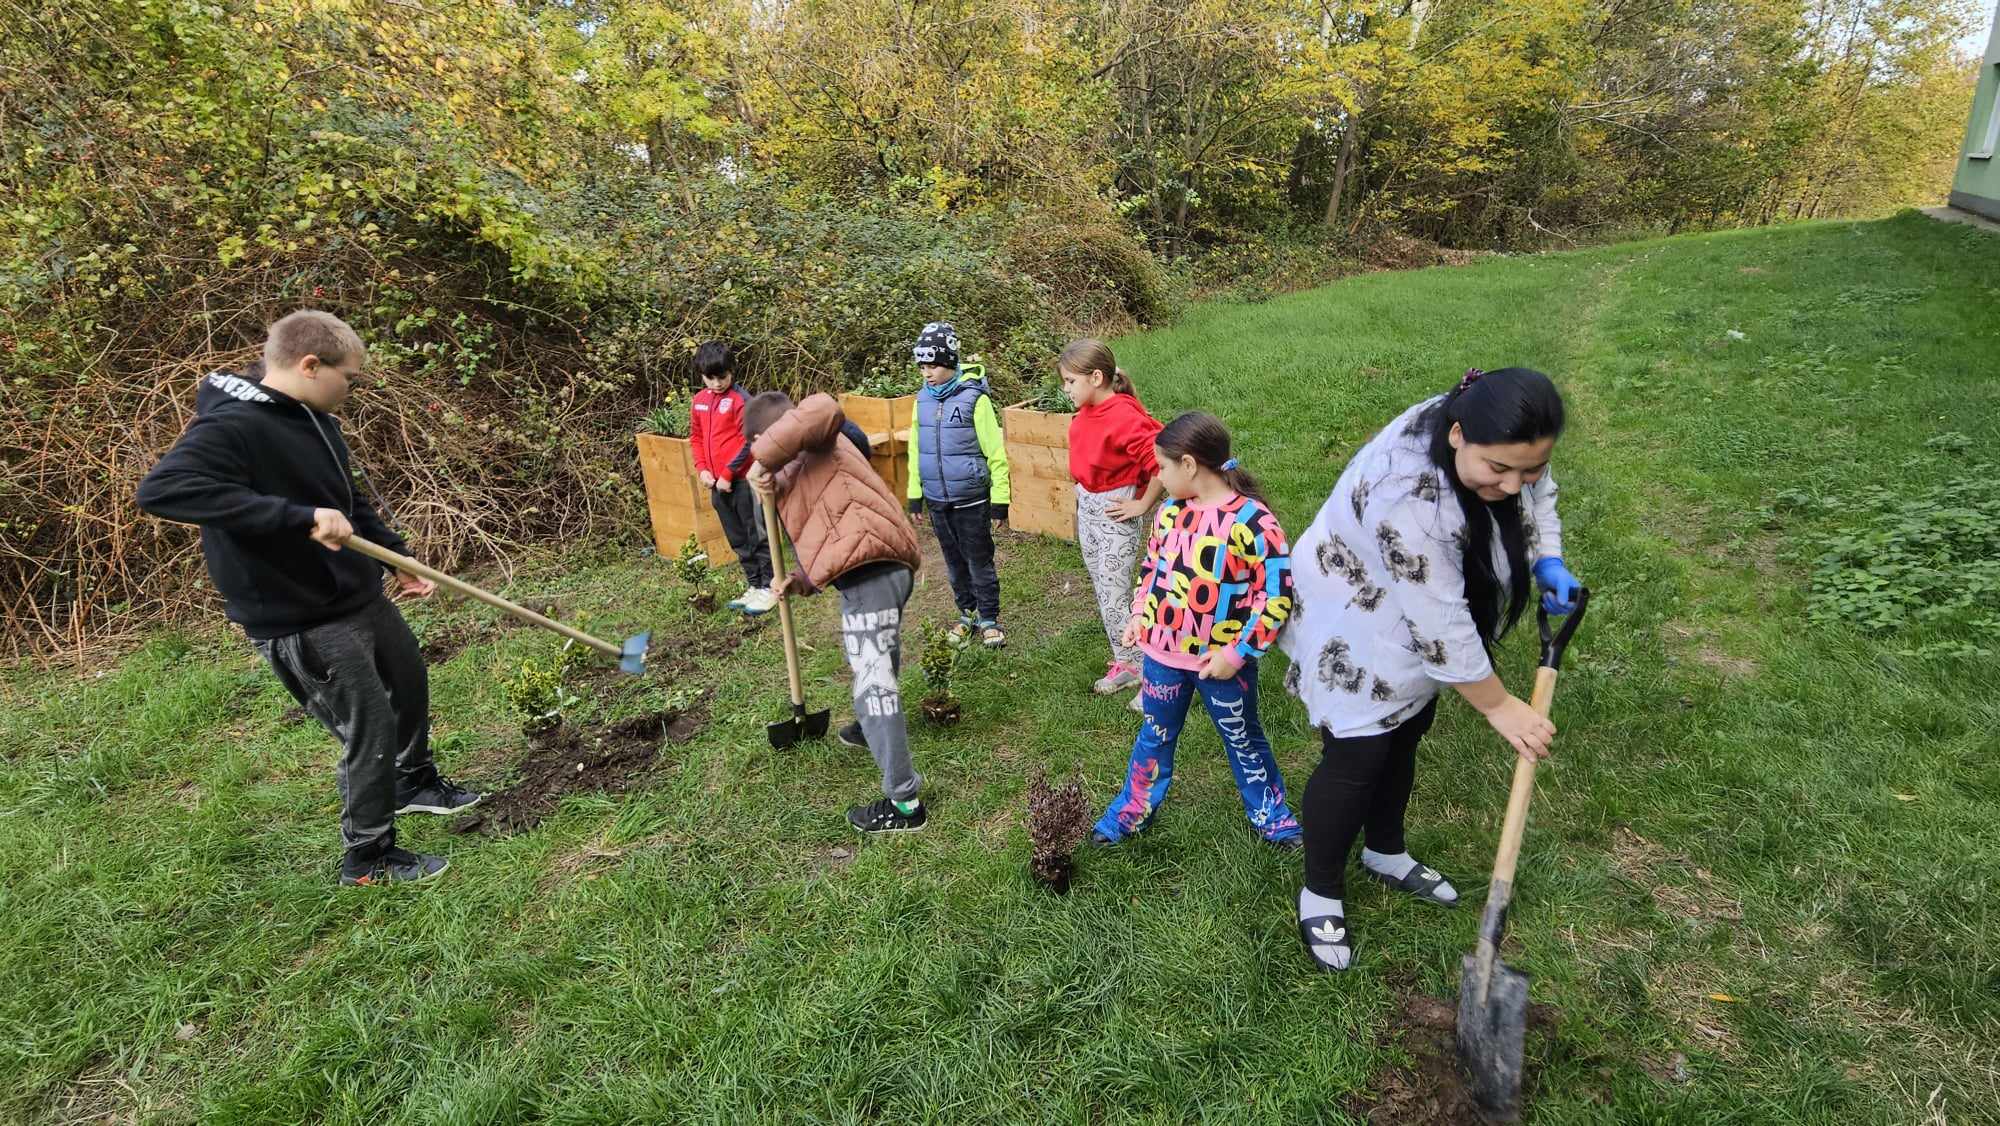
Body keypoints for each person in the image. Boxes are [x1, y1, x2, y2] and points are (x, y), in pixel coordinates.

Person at [134, 310, 479, 887]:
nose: (353, 389)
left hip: (354, 591)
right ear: (310, 364)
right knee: (366, 725)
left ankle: (411, 781)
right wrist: (295, 518)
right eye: (350, 377)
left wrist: (395, 557)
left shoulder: (313, 419)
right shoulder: (233, 427)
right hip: (300, 611)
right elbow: (164, 490)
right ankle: (368, 858)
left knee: (409, 681)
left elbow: (345, 502)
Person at [1280, 367, 1583, 972]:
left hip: (1412, 610)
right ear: (1457, 436)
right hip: (1357, 612)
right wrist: (1500, 706)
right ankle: (1320, 889)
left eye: (1528, 467)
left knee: (1406, 732)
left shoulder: (1494, 433)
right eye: (1499, 470)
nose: (1515, 483)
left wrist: (1546, 555)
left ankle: (1385, 851)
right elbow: (1440, 628)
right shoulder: (1409, 496)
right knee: (1357, 755)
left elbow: (1536, 492)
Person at [1092, 411, 1303, 849]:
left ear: (1188, 465)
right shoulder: (1169, 513)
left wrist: (1237, 654)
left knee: (1243, 739)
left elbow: (1277, 597)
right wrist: (1139, 614)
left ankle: (1271, 814)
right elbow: (1153, 570)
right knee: (1155, 734)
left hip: (1221, 666)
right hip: (1162, 659)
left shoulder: (1253, 522)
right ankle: (1131, 813)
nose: (1158, 477)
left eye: (1162, 467)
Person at [743, 391, 929, 833]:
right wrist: (804, 579)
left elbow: (825, 406)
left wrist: (760, 459)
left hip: (871, 573)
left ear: (772, 436)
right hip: (877, 571)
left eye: (759, 443)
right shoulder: (802, 464)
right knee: (881, 660)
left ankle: (905, 803)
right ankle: (872, 730)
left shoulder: (821, 435)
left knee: (873, 681)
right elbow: (828, 527)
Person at [1058, 338, 1164, 709]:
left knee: (1119, 596)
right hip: (1088, 509)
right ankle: (1129, 663)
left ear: (1097, 377)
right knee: (1105, 594)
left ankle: (1155, 676)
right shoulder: (1087, 411)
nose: (1065, 389)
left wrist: (1142, 504)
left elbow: (1161, 464)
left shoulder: (1122, 416)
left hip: (1114, 514)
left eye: (1071, 381)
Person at [904, 322, 1011, 648]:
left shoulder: (974, 399)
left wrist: (1000, 499)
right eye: (922, 366)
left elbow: (996, 452)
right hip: (938, 501)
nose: (927, 373)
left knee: (979, 560)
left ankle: (989, 618)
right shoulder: (921, 400)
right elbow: (914, 448)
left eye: (933, 365)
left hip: (971, 500)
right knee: (953, 563)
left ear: (950, 362)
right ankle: (967, 614)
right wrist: (914, 494)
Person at [688, 340, 775, 615]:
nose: (716, 383)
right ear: (702, 376)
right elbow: (697, 437)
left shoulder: (741, 401)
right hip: (716, 484)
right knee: (737, 537)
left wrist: (727, 473)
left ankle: (770, 587)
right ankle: (753, 584)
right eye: (710, 378)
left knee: (756, 534)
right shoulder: (699, 401)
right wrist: (702, 468)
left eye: (722, 377)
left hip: (742, 481)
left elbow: (748, 440)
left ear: (731, 371)